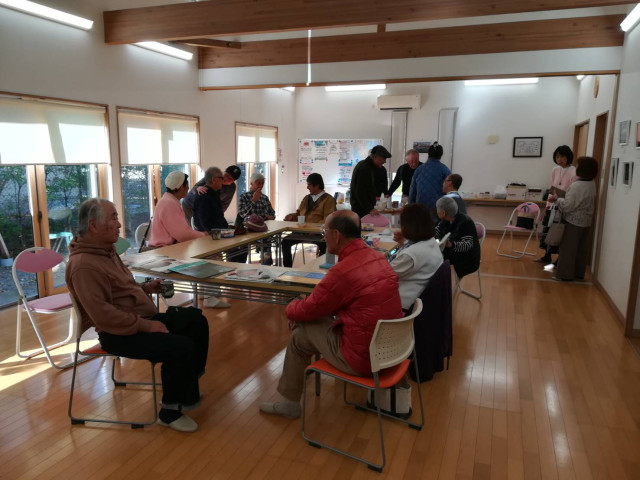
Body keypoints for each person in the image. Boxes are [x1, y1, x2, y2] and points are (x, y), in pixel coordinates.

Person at [66, 198, 209, 433]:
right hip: (117, 333)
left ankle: (186, 386)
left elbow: (119, 292)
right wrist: (146, 326)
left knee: (195, 321)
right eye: (113, 218)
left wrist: (145, 288)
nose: (119, 224)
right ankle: (170, 412)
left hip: (137, 320)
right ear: (93, 225)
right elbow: (102, 315)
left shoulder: (106, 251)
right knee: (180, 346)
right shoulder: (84, 265)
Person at [259, 210, 402, 418]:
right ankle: (293, 393)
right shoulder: (377, 258)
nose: (323, 236)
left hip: (364, 359)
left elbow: (311, 308)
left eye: (324, 231)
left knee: (300, 335)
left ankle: (290, 404)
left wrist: (291, 308)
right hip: (391, 349)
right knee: (306, 321)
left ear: (336, 235)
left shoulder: (342, 271)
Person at [550, 156, 598, 282]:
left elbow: (567, 206)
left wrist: (557, 199)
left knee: (567, 249)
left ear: (582, 169)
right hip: (586, 221)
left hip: (573, 222)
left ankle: (564, 275)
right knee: (580, 249)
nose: (575, 167)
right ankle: (578, 273)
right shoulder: (592, 183)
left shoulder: (577, 185)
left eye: (577, 165)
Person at [389, 203, 443, 312]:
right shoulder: (431, 242)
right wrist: (403, 243)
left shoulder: (410, 255)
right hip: (418, 297)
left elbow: (383, 275)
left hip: (402, 304)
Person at [282, 173, 336, 267]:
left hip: (319, 233)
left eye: (309, 185)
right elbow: (299, 213)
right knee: (285, 241)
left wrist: (313, 229)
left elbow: (328, 219)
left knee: (324, 244)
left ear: (317, 185)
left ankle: (319, 269)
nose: (307, 187)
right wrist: (292, 217)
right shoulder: (306, 198)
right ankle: (288, 269)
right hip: (301, 231)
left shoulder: (329, 200)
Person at [536, 145, 578, 265]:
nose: (559, 159)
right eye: (557, 157)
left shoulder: (574, 171)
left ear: (568, 157)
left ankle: (559, 259)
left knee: (560, 231)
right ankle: (547, 256)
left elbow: (572, 191)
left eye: (562, 156)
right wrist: (548, 204)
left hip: (564, 204)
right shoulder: (555, 170)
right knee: (548, 229)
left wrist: (560, 198)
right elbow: (552, 187)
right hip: (552, 203)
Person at [148, 171, 206, 248]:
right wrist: (204, 234)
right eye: (187, 185)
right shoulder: (169, 203)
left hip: (164, 249)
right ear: (181, 187)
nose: (188, 188)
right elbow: (183, 235)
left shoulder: (166, 200)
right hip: (165, 250)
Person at [434, 196, 480, 279]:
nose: (436, 211)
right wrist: (428, 233)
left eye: (437, 209)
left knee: (433, 260)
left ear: (443, 212)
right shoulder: (445, 220)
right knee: (432, 257)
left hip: (467, 258)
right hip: (453, 253)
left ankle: (439, 283)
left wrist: (451, 244)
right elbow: (437, 232)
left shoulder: (465, 222)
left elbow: (468, 245)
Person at [237, 172, 276, 264]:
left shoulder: (264, 198)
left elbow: (272, 213)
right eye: (258, 183)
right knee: (246, 245)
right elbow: (242, 214)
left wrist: (271, 217)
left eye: (262, 183)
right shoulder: (244, 196)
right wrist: (253, 201)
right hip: (249, 229)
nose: (261, 185)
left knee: (268, 240)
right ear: (251, 183)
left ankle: (266, 263)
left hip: (264, 228)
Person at [409, 142, 451, 219]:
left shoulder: (419, 169)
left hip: (420, 208)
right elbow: (450, 190)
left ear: (428, 154)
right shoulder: (445, 170)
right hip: (438, 208)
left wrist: (411, 208)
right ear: (440, 155)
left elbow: (412, 192)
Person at [349, 145, 392, 217]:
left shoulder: (365, 165)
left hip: (362, 207)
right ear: (375, 157)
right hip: (361, 209)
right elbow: (360, 192)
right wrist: (370, 209)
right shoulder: (365, 169)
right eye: (383, 159)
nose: (384, 161)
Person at [192, 166, 228, 232]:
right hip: (212, 235)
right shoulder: (204, 196)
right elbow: (204, 223)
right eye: (221, 178)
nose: (223, 181)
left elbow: (219, 216)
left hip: (220, 231)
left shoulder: (214, 193)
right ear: (213, 179)